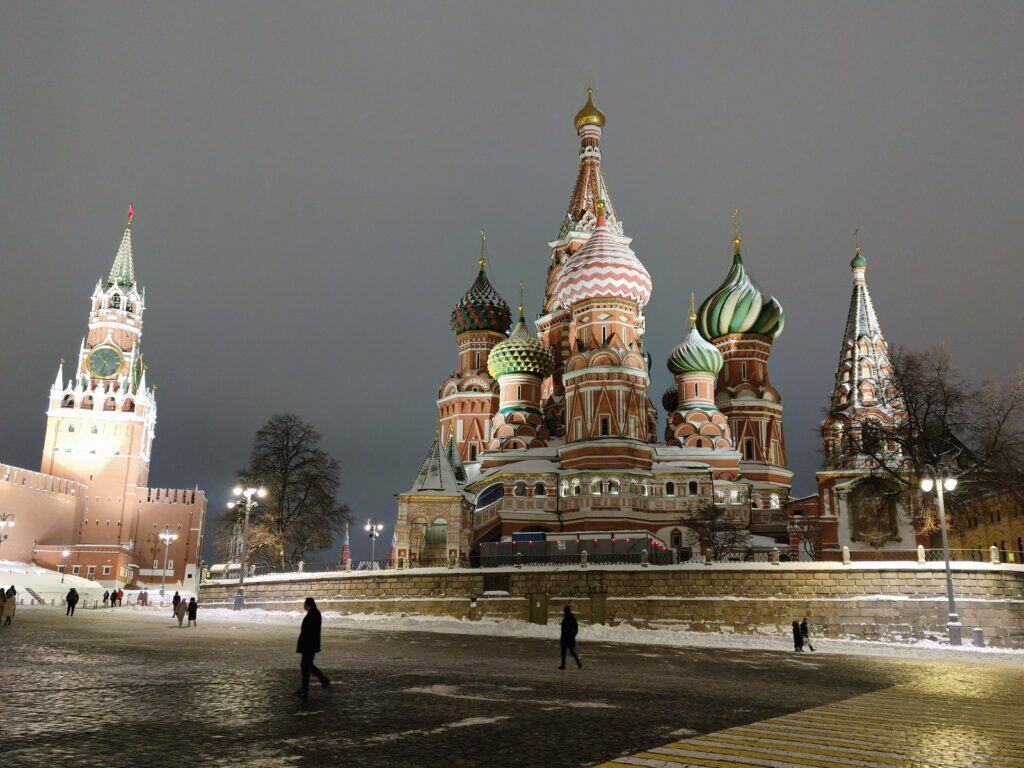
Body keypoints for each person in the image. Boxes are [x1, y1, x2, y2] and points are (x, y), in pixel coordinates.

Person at [295, 597, 330, 698]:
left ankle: (306, 687)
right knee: (307, 665)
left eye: (304, 604)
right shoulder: (313, 612)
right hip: (309, 644)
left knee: (305, 665)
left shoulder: (313, 613)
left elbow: (309, 631)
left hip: (309, 645)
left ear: (308, 604)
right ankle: (321, 680)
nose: (303, 606)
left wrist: (304, 643)